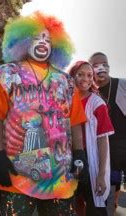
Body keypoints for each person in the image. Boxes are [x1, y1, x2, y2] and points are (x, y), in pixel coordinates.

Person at [0, 11, 88, 215]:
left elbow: (75, 121)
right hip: (17, 174)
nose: (42, 42)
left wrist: (79, 153)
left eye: (48, 39)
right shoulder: (6, 74)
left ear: (57, 45)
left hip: (59, 177)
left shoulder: (65, 81)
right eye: (36, 37)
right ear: (22, 41)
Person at [69, 61, 114, 216]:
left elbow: (103, 141)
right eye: (80, 74)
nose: (85, 79)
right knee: (70, 206)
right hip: (67, 161)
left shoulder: (97, 104)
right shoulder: (64, 99)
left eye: (89, 75)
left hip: (91, 163)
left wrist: (101, 174)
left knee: (95, 208)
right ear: (72, 76)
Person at [89, 52, 126, 216]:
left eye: (104, 63)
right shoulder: (87, 91)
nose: (101, 67)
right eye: (96, 65)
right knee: (109, 199)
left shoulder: (122, 85)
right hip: (105, 152)